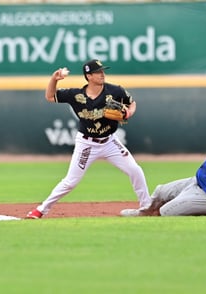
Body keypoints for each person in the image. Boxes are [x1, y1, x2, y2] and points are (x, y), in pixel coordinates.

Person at [120, 68, 206, 217]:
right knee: (160, 191)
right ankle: (144, 213)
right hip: (196, 181)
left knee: (167, 211)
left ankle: (199, 211)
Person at [26, 59, 151, 219]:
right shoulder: (75, 95)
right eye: (98, 72)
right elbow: (50, 96)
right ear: (89, 76)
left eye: (103, 71)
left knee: (135, 170)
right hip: (87, 144)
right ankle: (41, 209)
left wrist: (128, 112)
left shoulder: (115, 91)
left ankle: (147, 206)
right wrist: (54, 79)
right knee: (70, 182)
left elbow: (131, 103)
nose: (102, 74)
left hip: (110, 142)